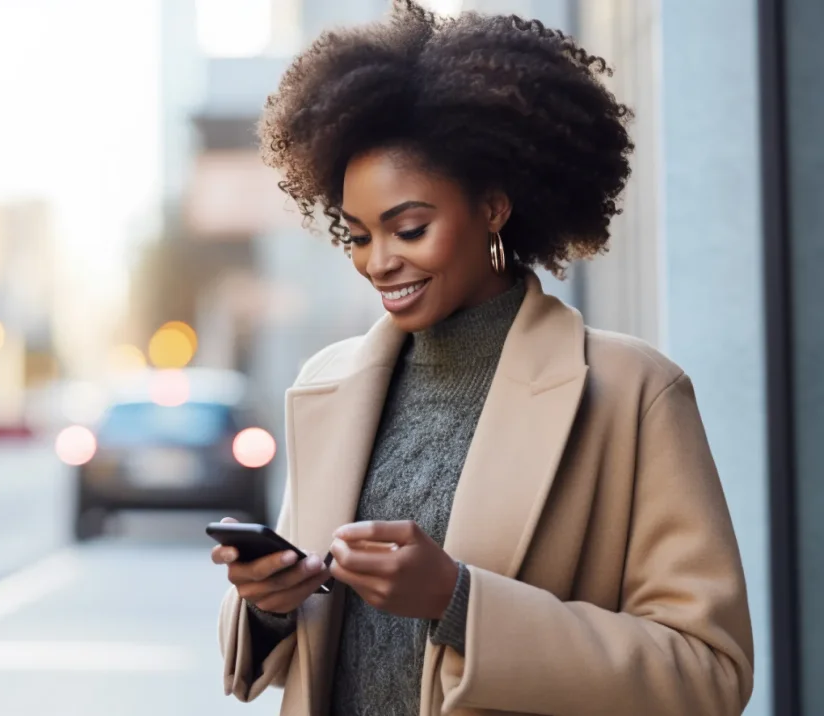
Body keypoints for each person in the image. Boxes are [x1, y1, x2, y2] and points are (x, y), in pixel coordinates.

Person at [211, 2, 755, 715]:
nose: (378, 262)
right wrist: (271, 604)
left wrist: (460, 601)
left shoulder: (633, 393)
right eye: (357, 235)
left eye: (409, 228)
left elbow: (708, 672)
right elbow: (307, 657)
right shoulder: (331, 388)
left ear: (494, 208)